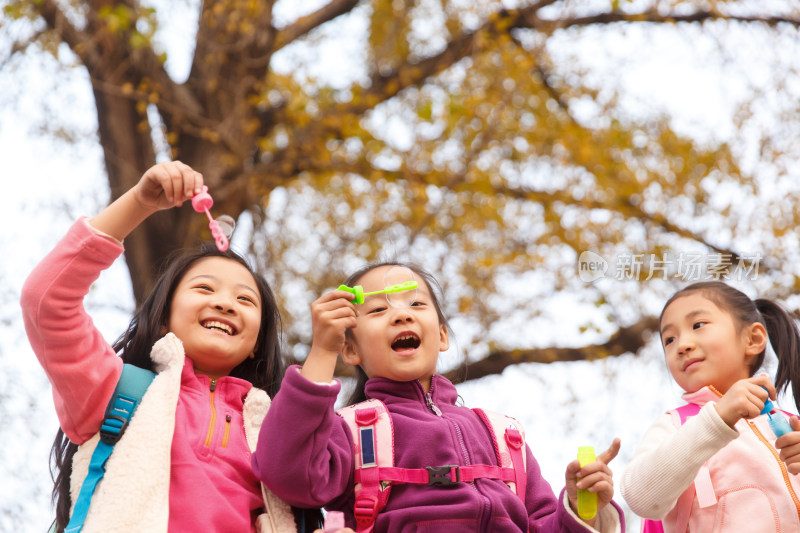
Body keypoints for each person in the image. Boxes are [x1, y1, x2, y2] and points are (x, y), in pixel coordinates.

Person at [21, 161, 320, 532]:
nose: (225, 303)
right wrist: (139, 203)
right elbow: (46, 302)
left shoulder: (277, 435)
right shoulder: (115, 392)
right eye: (204, 288)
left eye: (245, 300)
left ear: (257, 343)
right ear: (164, 319)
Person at [252, 261, 625, 532]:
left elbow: (545, 527)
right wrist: (321, 352)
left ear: (443, 336)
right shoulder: (350, 430)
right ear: (350, 351)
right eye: (379, 309)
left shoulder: (503, 436)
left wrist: (579, 507)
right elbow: (288, 473)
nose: (401, 316)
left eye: (416, 304)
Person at [620, 281, 800, 531]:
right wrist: (717, 419)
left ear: (753, 339)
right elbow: (640, 496)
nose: (682, 345)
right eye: (669, 340)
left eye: (698, 325)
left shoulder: (793, 425)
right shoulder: (675, 425)